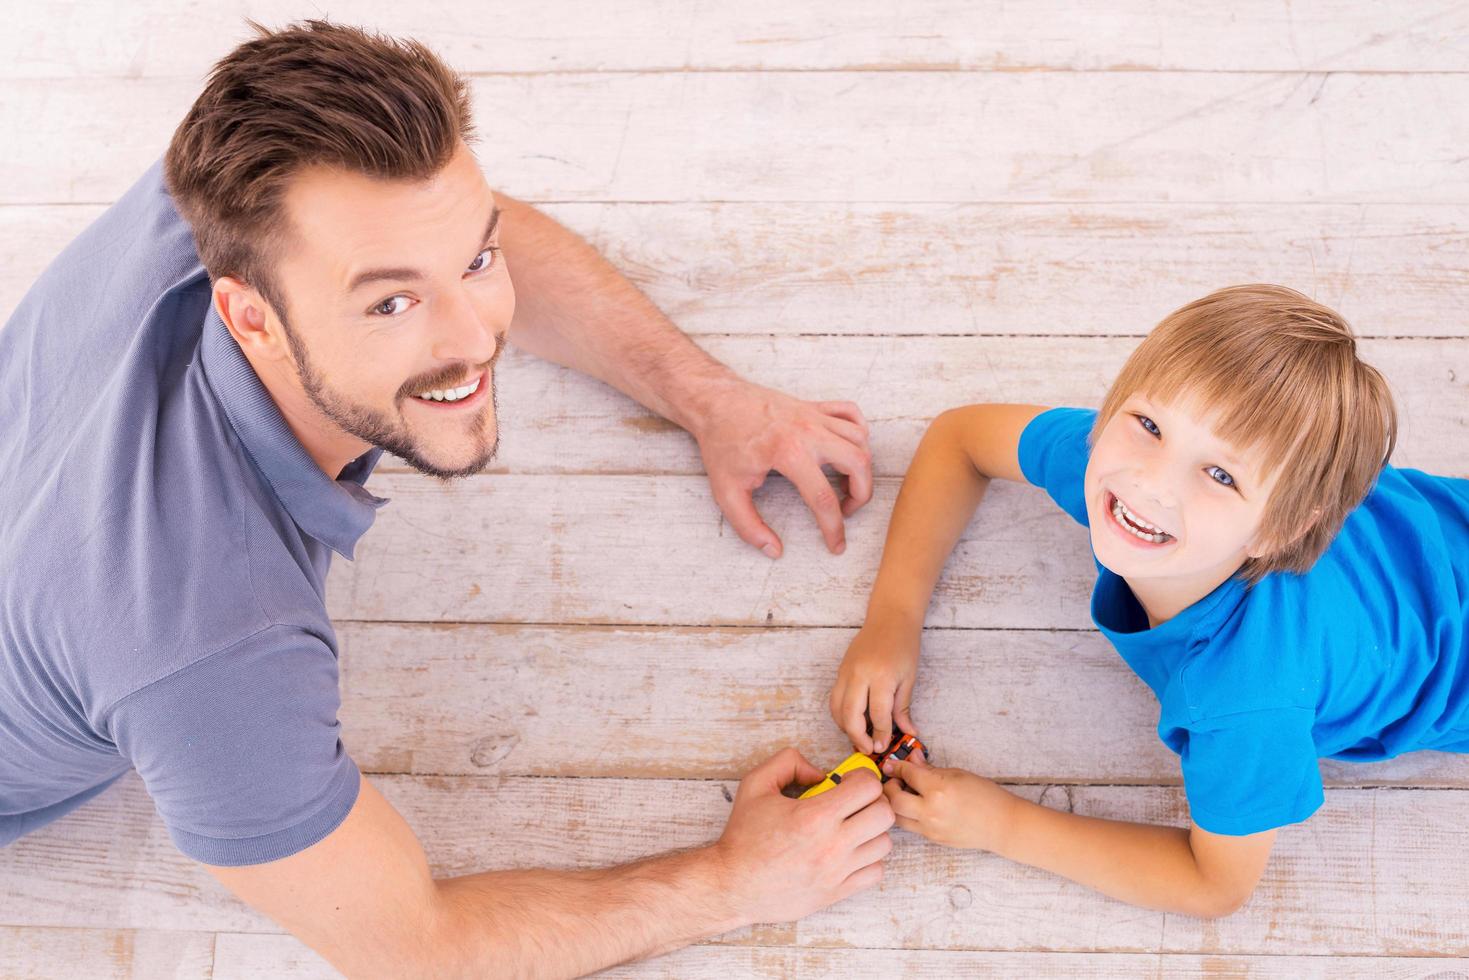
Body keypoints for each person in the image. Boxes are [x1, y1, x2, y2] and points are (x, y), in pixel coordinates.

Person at [0, 20, 892, 976]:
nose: (476, 339)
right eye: (390, 304)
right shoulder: (208, 649)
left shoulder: (220, 193)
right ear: (247, 317)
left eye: (474, 263)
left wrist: (707, 398)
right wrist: (731, 881)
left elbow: (439, 231)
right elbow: (414, 949)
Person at [828, 284, 1469, 918]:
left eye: (1221, 474)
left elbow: (1214, 885)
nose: (1151, 483)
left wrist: (1002, 825)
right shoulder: (1111, 468)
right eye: (1150, 424)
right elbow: (960, 438)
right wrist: (893, 617)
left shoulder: (1248, 696)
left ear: (1282, 529)